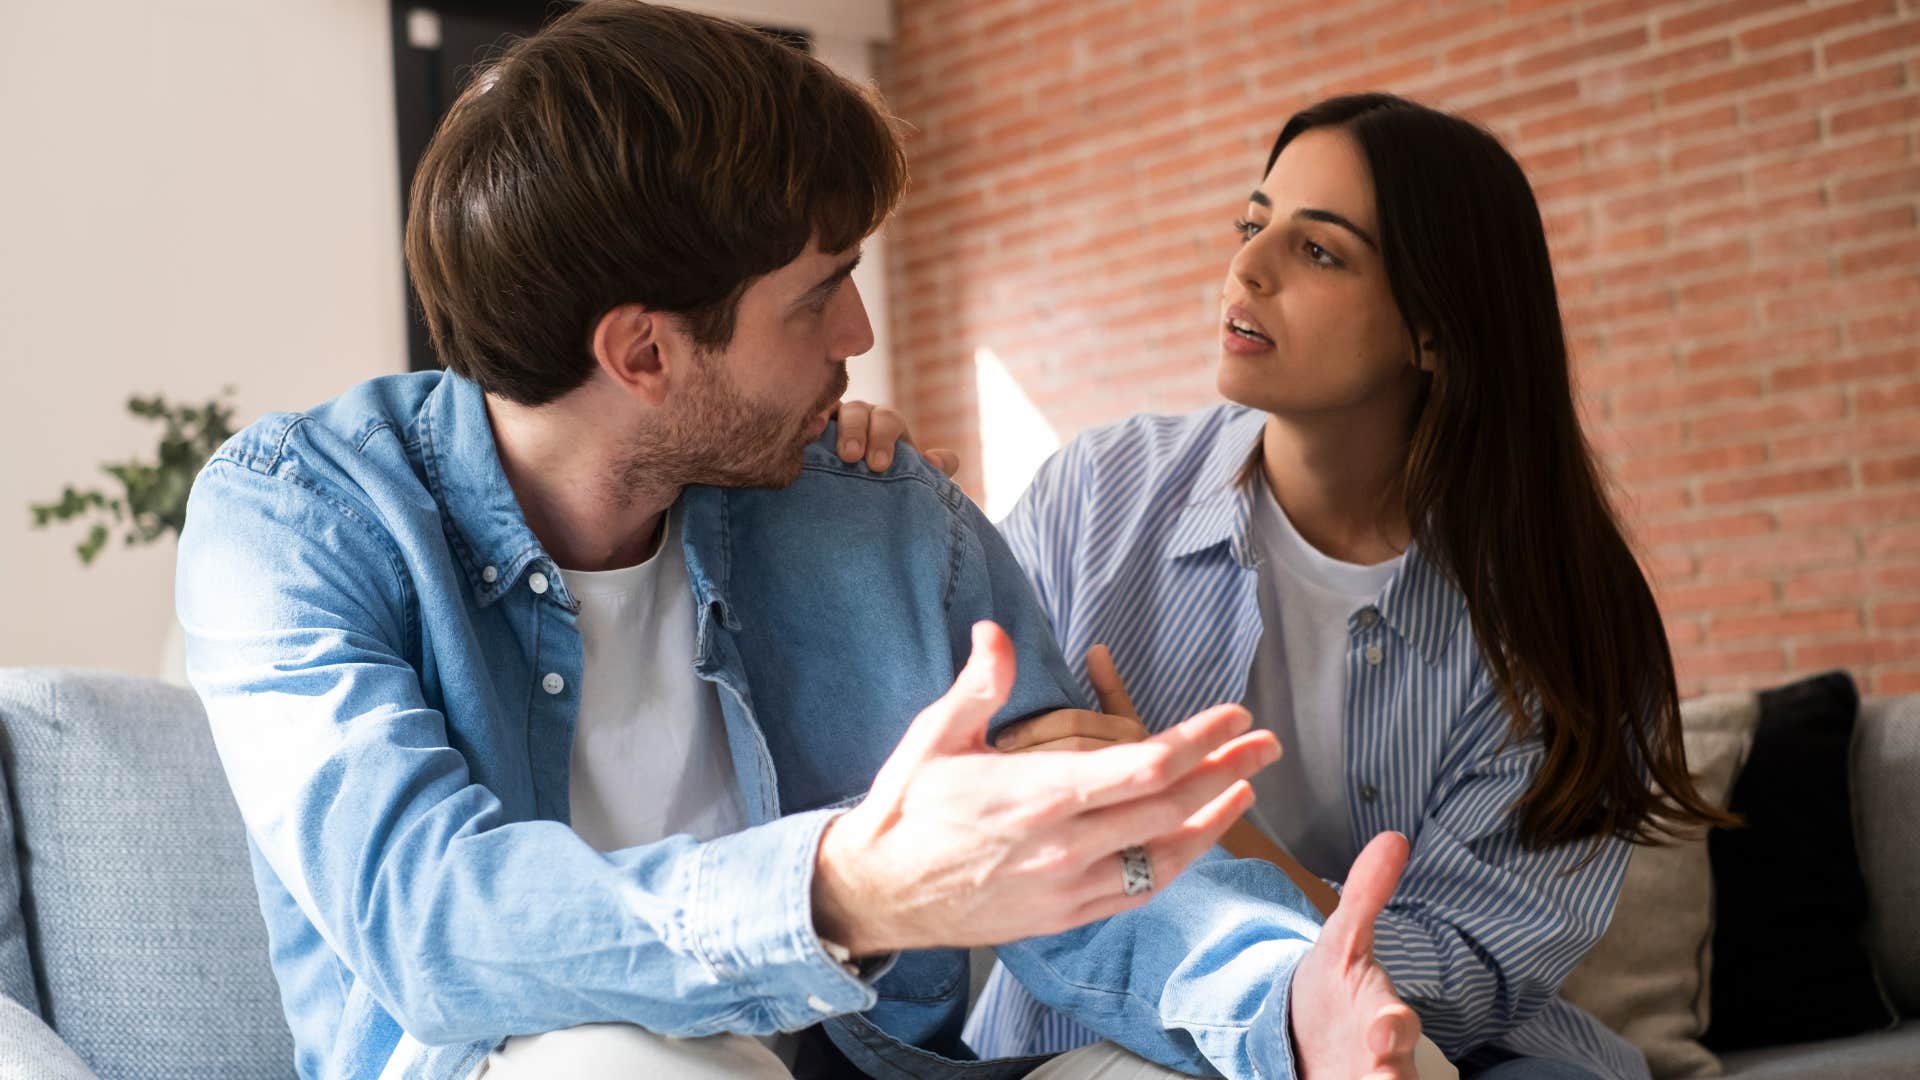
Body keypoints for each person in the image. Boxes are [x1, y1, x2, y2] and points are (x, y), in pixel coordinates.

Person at [175, 8, 1426, 1079]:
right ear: (644, 355)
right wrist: (850, 886)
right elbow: (431, 924)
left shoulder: (872, 506)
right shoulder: (298, 520)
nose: (861, 330)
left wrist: (1283, 994)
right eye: (820, 291)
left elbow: (1080, 860)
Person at [841, 93, 1735, 1080]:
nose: (1246, 268)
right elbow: (927, 788)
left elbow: (1465, 979)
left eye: (1320, 251)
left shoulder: (1560, 620)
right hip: (1101, 1036)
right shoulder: (1099, 496)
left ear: (1433, 331)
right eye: (1253, 224)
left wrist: (1194, 825)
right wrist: (875, 520)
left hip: (1444, 1051)